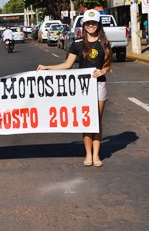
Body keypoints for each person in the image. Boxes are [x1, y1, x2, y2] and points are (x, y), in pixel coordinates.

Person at [37, 9, 112, 168]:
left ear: (98, 25)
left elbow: (107, 65)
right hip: (83, 88)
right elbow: (67, 65)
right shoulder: (77, 43)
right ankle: (88, 154)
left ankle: (97, 155)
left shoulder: (105, 42)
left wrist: (103, 71)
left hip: (99, 85)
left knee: (97, 121)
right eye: (88, 23)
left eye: (94, 23)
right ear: (84, 25)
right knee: (87, 121)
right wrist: (47, 68)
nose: (91, 26)